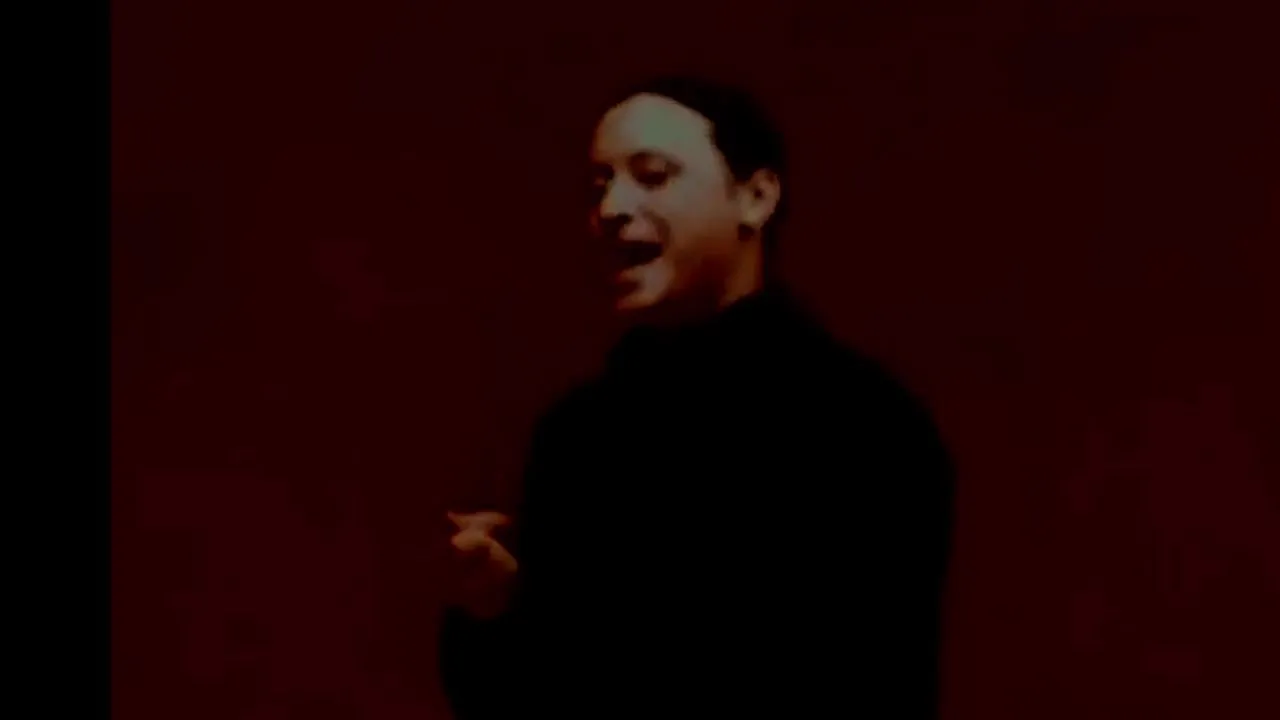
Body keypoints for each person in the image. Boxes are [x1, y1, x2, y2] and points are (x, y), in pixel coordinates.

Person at [440, 75, 954, 719]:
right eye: (599, 185)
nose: (611, 207)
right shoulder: (577, 433)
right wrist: (496, 606)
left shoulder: (861, 425)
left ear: (756, 198)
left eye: (652, 176)